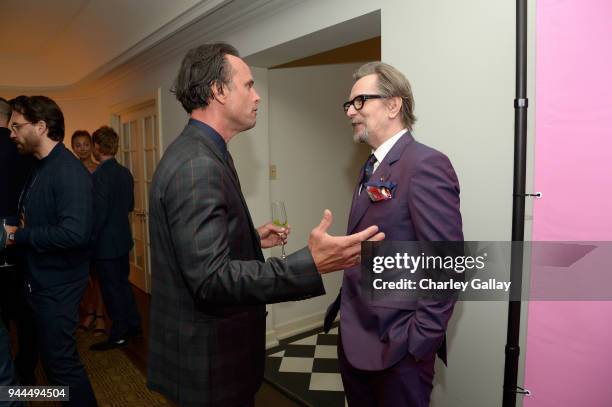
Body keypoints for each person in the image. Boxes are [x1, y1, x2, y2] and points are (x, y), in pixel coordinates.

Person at [146, 42, 384, 407]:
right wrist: (310, 263)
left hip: (209, 355)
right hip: (210, 364)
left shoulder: (201, 153)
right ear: (218, 91)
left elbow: (193, 250)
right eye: (249, 86)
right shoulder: (198, 165)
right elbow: (211, 281)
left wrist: (249, 237)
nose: (257, 97)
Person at [324, 62, 464, 407]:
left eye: (360, 102)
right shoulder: (371, 167)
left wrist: (417, 344)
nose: (351, 112)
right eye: (349, 104)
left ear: (393, 105)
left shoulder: (425, 165)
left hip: (397, 351)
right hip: (358, 339)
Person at [3, 95, 98, 406]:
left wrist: (20, 235)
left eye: (16, 126)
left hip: (58, 286)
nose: (11, 133)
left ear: (41, 127)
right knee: (53, 363)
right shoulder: (41, 166)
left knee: (63, 366)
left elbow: (74, 233)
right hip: (41, 281)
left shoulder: (68, 171)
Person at [89, 125, 142, 351]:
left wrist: (88, 241)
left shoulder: (99, 175)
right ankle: (134, 325)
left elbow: (98, 215)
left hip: (105, 244)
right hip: (122, 240)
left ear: (98, 147)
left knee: (112, 290)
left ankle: (119, 334)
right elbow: (130, 205)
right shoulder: (125, 172)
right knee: (123, 285)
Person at [0, 97, 37, 386]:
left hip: (11, 237)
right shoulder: (25, 151)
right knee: (24, 310)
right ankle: (25, 370)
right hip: (24, 238)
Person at [71, 129, 107, 337]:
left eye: (86, 144)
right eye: (78, 145)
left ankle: (100, 315)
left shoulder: (99, 169)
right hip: (78, 231)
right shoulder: (70, 169)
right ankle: (89, 311)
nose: (83, 148)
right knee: (84, 277)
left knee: (99, 276)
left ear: (92, 146)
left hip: (98, 230)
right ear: (73, 147)